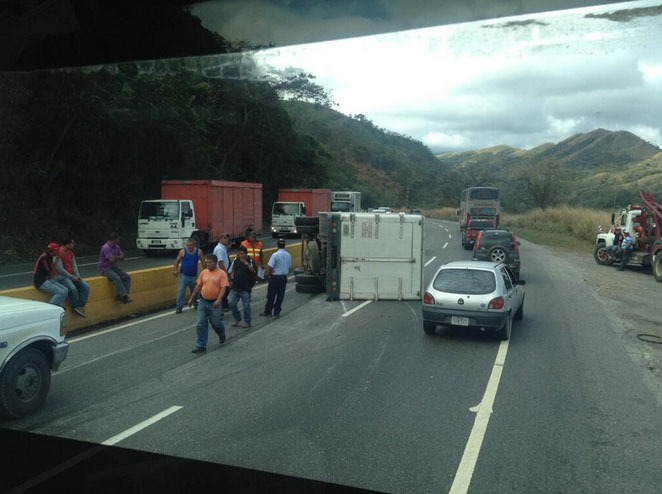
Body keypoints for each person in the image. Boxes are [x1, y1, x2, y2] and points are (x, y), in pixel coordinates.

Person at [188, 253, 229, 353]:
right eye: (207, 263)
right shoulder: (204, 273)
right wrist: (191, 298)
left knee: (215, 323)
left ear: (215, 263)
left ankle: (221, 333)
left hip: (214, 303)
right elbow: (198, 286)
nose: (208, 264)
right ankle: (201, 345)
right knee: (200, 323)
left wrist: (219, 300)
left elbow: (224, 287)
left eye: (210, 262)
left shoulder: (221, 274)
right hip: (203, 301)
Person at [54, 238, 90, 317]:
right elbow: (60, 269)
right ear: (67, 244)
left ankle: (80, 305)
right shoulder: (58, 253)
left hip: (71, 275)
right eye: (72, 243)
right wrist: (72, 277)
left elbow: (74, 266)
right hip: (62, 276)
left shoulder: (71, 253)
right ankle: (75, 305)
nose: (73, 245)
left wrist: (77, 275)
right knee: (72, 288)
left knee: (85, 286)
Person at [260, 238, 292, 318]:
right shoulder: (288, 255)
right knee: (280, 295)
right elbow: (289, 267)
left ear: (277, 246)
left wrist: (269, 275)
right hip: (283, 277)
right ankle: (277, 311)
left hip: (275, 277)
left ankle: (268, 311)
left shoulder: (275, 255)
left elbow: (270, 267)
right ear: (284, 246)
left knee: (271, 295)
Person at [228, 245, 257, 328]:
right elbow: (231, 271)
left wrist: (246, 263)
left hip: (245, 288)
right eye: (239, 254)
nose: (241, 255)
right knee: (231, 303)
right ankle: (237, 318)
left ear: (246, 254)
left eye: (243, 254)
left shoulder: (250, 260)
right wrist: (230, 280)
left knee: (246, 305)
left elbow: (253, 271)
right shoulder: (235, 261)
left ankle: (247, 321)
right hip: (235, 287)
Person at [99, 232, 132, 303]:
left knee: (126, 277)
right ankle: (124, 296)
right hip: (105, 269)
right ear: (114, 239)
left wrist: (115, 257)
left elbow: (123, 257)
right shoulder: (106, 247)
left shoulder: (117, 247)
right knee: (117, 278)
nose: (118, 241)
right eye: (118, 239)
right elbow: (111, 260)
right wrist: (118, 257)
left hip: (115, 267)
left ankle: (123, 295)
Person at [173, 238, 203, 314]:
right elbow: (177, 261)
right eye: (187, 245)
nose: (189, 247)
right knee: (181, 291)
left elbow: (203, 261)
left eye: (190, 245)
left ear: (194, 245)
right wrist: (175, 270)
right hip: (184, 275)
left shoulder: (198, 252)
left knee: (194, 291)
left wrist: (206, 271)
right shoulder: (182, 252)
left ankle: (195, 304)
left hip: (193, 276)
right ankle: (179, 307)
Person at [212, 233, 231, 311]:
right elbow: (220, 262)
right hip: (220, 273)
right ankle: (223, 306)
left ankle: (224, 305)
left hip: (220, 272)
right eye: (225, 238)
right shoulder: (220, 249)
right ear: (220, 239)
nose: (227, 240)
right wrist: (225, 273)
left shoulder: (222, 248)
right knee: (224, 289)